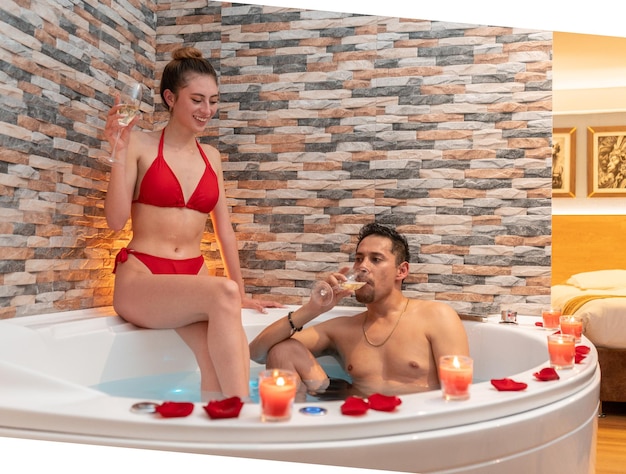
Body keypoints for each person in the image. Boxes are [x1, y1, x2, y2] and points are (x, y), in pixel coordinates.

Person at [103, 47, 282, 400]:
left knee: (212, 356)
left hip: (190, 278)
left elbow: (225, 231)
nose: (207, 110)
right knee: (223, 293)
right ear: (170, 98)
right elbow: (115, 221)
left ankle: (219, 428)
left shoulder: (211, 157)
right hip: (143, 278)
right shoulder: (138, 143)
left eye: (213, 101)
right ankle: (243, 417)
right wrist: (117, 153)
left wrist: (241, 295)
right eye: (197, 99)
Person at [249, 223, 470, 398]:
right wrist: (313, 309)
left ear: (401, 271)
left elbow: (460, 393)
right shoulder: (343, 329)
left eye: (376, 259)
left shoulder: (436, 316)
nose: (362, 267)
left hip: (415, 427)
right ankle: (296, 436)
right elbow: (257, 353)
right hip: (356, 424)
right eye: (358, 259)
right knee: (283, 350)